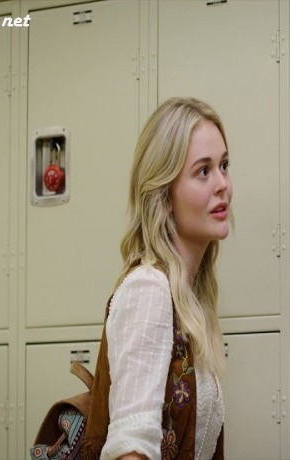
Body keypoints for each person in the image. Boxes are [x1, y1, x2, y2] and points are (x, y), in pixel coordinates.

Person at [83, 97, 231, 460]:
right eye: (203, 171)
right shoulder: (148, 289)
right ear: (164, 196)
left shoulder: (187, 297)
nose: (223, 184)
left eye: (224, 166)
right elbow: (131, 450)